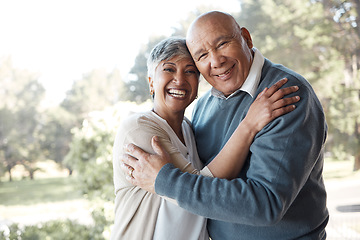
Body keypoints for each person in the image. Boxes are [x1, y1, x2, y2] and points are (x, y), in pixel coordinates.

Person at [121, 11, 329, 240]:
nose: (216, 61)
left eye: (222, 44)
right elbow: (205, 179)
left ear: (246, 39)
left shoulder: (282, 95)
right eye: (201, 56)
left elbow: (266, 204)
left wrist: (165, 181)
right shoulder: (203, 108)